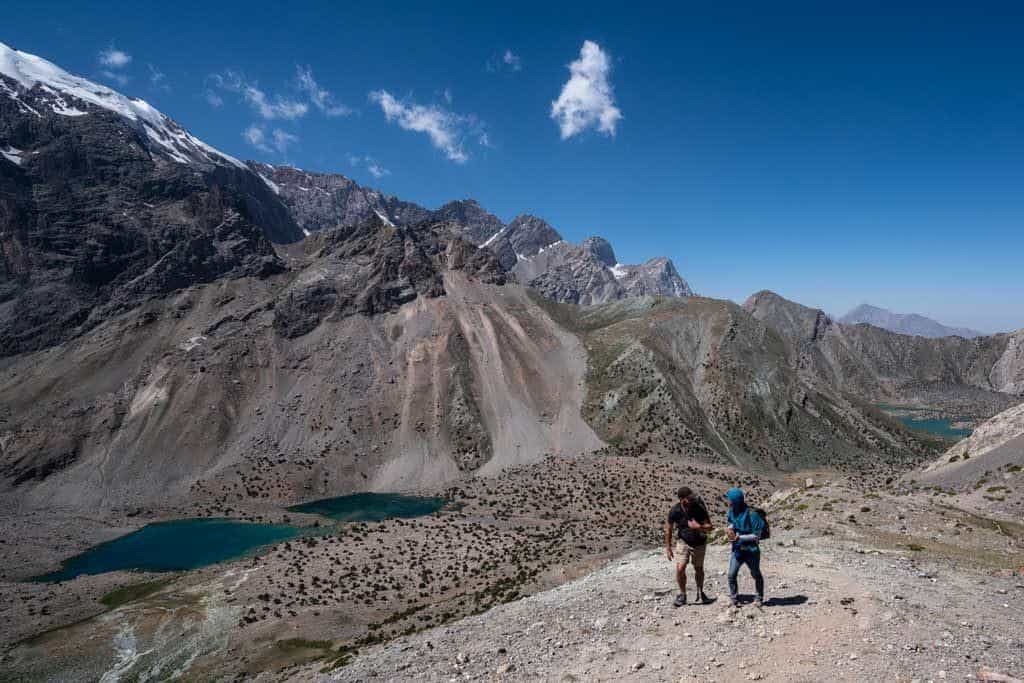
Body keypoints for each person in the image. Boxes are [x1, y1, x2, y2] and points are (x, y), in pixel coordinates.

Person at [665, 486, 714, 606]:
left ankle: (700, 592)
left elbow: (710, 527)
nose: (692, 500)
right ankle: (683, 594)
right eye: (689, 498)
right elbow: (669, 529)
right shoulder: (675, 511)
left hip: (699, 542)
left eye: (692, 497)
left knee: (698, 569)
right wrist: (668, 548)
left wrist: (699, 527)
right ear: (682, 499)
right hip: (683, 541)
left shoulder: (699, 508)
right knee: (680, 569)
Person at [725, 487, 766, 607]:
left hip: (751, 551)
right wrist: (730, 529)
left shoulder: (753, 515)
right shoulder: (732, 511)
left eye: (730, 500)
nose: (729, 502)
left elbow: (756, 536)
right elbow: (731, 522)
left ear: (736, 500)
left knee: (756, 574)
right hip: (738, 550)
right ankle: (734, 597)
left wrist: (739, 538)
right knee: (731, 575)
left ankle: (759, 597)